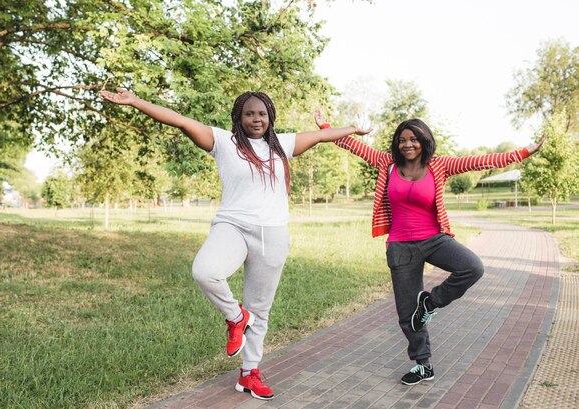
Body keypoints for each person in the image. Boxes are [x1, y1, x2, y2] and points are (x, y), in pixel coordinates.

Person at [99, 88, 369, 400]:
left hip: (273, 234)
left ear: (270, 118)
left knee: (261, 308)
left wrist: (353, 129)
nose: (257, 119)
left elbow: (321, 137)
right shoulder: (223, 141)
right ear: (239, 118)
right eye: (250, 114)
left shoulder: (283, 144)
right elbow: (179, 120)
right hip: (233, 226)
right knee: (205, 271)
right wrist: (135, 101)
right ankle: (236, 317)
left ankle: (249, 373)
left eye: (262, 114)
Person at [315, 113, 544, 386]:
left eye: (413, 139)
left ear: (424, 141)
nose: (407, 145)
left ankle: (431, 302)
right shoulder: (386, 163)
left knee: (472, 267)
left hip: (434, 239)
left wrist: (523, 153)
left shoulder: (439, 165)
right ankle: (423, 365)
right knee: (406, 315)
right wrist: (326, 128)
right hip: (400, 245)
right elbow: (353, 145)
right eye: (402, 140)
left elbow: (480, 161)